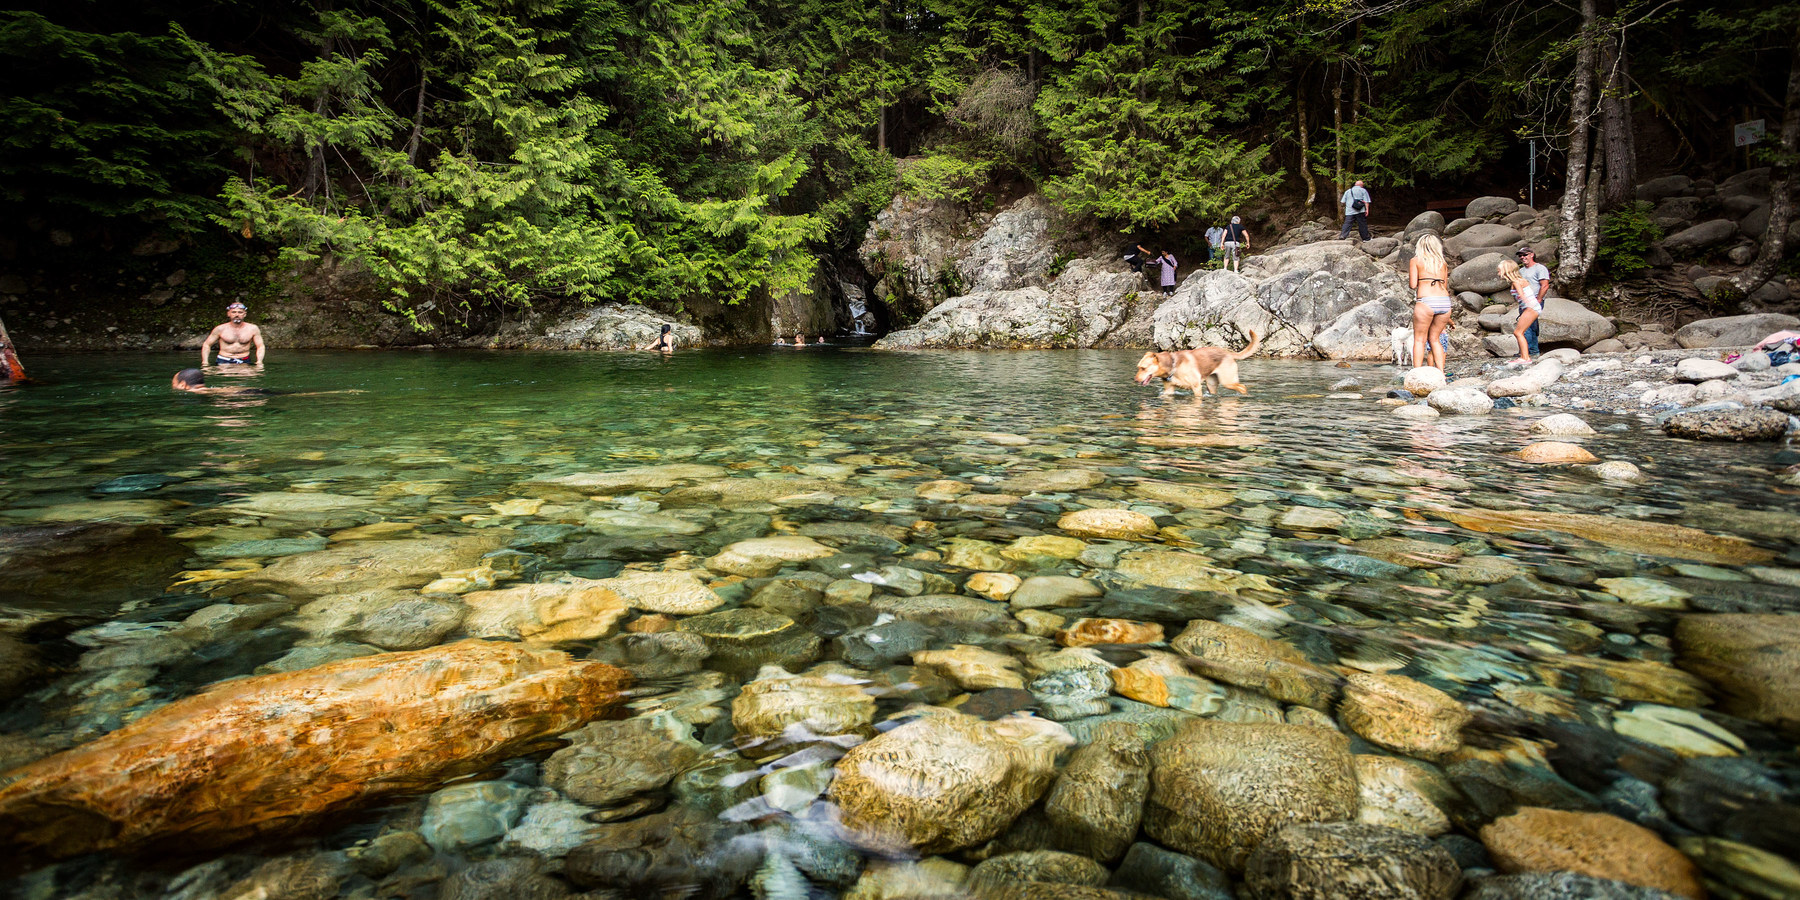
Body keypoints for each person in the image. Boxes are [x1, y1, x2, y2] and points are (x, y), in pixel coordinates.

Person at [1408, 234, 1455, 370]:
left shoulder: (1416, 260)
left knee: (1419, 339)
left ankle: (1416, 373)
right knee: (1435, 339)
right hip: (1444, 302)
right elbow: (1445, 286)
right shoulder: (1443, 262)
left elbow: (1412, 284)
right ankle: (1441, 374)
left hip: (1426, 301)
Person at [1499, 259, 1540, 365]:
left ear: (1506, 271)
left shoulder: (1516, 281)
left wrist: (1527, 305)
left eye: (1499, 271)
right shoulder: (1520, 279)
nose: (1498, 273)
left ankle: (1525, 358)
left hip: (1531, 308)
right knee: (1520, 332)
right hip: (1531, 307)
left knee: (1518, 332)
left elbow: (1521, 294)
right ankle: (1523, 356)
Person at [200, 302, 265, 366]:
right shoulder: (220, 329)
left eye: (240, 312)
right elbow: (207, 344)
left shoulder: (253, 328)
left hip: (244, 360)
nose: (237, 315)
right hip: (224, 360)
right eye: (233, 312)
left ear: (245, 314)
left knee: (248, 375)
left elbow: (260, 346)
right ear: (228, 314)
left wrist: (259, 361)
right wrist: (205, 362)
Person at [1515, 247, 1551, 359]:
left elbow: (1545, 285)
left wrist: (1539, 299)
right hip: (1524, 302)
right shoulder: (1521, 271)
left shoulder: (1540, 268)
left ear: (1531, 255)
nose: (1522, 257)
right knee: (1530, 325)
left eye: (1524, 255)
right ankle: (1533, 350)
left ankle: (1528, 351)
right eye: (1520, 255)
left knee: (1527, 326)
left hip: (1535, 300)